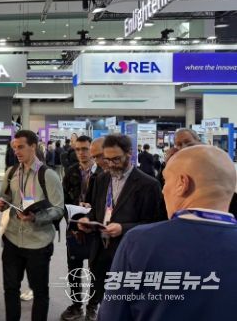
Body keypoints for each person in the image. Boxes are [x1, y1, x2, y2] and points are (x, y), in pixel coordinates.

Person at [98, 145, 237, 320]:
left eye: (166, 180)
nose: (163, 190)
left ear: (182, 183)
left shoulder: (139, 242)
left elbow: (113, 315)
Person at [77, 134, 163, 320]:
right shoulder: (101, 179)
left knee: (127, 307)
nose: (110, 164)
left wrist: (123, 228)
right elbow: (96, 211)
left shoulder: (148, 185)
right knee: (105, 305)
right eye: (107, 159)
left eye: (116, 159)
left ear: (129, 154)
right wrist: (87, 220)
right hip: (101, 253)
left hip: (130, 257)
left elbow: (157, 225)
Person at [0, 130, 64, 321]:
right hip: (12, 239)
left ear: (33, 146)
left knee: (40, 291)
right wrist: (0, 203)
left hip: (38, 243)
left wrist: (36, 217)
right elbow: (5, 197)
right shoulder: (11, 172)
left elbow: (59, 209)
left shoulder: (48, 175)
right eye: (14, 147)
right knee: (10, 289)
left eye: (21, 147)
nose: (16, 151)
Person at [60, 135, 103, 321]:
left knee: (96, 270)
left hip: (96, 229)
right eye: (77, 149)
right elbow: (63, 201)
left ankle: (93, 305)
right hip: (74, 228)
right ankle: (76, 306)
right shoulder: (70, 172)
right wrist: (72, 221)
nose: (81, 153)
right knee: (74, 270)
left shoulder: (102, 172)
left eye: (85, 149)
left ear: (92, 150)